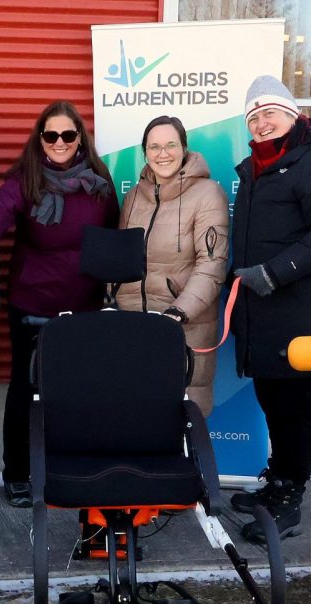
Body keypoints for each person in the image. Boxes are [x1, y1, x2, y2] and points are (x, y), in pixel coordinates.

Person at [0, 101, 119, 507]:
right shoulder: (25, 181)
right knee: (26, 390)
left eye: (67, 135)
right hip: (33, 306)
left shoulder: (99, 183)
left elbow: (116, 233)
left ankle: (70, 468)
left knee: (78, 392)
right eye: (51, 135)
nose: (59, 142)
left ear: (80, 138)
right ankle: (18, 474)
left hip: (84, 306)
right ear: (40, 140)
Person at [228, 75, 311, 544]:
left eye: (270, 113)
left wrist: (276, 272)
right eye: (253, 117)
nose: (261, 123)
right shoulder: (256, 170)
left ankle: (290, 502)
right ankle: (278, 482)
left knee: (298, 412)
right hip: (265, 318)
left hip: (306, 318)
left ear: (293, 115)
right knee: (274, 406)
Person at [118, 115, 228, 417]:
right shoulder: (132, 198)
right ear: (144, 152)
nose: (162, 154)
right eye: (154, 147)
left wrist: (179, 312)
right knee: (136, 415)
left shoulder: (208, 194)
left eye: (170, 145)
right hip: (134, 326)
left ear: (184, 148)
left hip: (182, 326)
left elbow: (212, 263)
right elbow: (121, 256)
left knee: (182, 418)